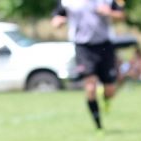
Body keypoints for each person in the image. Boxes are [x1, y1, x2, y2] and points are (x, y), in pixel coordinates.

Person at [51, 0, 127, 131]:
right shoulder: (68, 2)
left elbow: (122, 16)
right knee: (90, 88)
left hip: (104, 45)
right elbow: (56, 19)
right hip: (83, 47)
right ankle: (98, 125)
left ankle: (106, 99)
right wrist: (58, 22)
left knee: (110, 89)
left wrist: (110, 13)